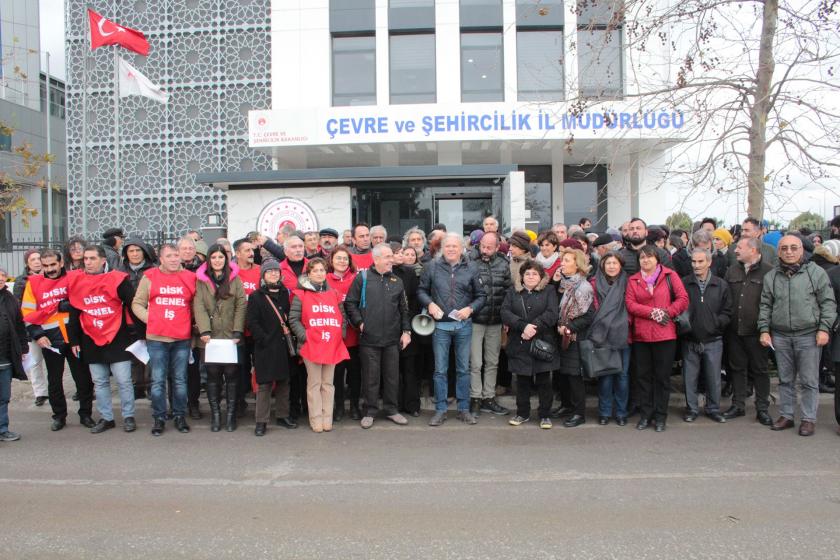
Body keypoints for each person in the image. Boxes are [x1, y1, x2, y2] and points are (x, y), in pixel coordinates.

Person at [758, 235, 836, 436]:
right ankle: (787, 415)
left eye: (794, 248)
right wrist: (764, 330)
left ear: (802, 250)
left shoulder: (816, 273)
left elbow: (828, 303)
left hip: (809, 335)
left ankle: (809, 419)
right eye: (784, 248)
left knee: (809, 381)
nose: (789, 252)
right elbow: (766, 305)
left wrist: (824, 329)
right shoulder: (772, 276)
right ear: (779, 251)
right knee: (785, 379)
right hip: (780, 336)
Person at [21, 249, 95, 432]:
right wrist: (38, 335)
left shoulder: (73, 278)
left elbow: (88, 300)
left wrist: (69, 305)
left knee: (83, 379)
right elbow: (27, 313)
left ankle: (86, 414)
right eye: (45, 266)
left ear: (61, 263)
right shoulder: (34, 284)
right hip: (50, 339)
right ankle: (59, 416)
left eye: (53, 264)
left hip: (74, 337)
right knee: (54, 381)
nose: (49, 269)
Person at [67, 245, 137, 434]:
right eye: (86, 259)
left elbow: (133, 306)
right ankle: (107, 418)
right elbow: (74, 312)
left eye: (92, 258)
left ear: (103, 260)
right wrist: (73, 340)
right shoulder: (77, 281)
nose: (88, 262)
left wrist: (140, 335)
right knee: (100, 382)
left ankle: (129, 416)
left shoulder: (118, 279)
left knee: (124, 380)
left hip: (118, 336)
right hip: (90, 337)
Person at [418, 233, 486, 426]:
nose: (451, 249)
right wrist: (430, 304)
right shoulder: (431, 266)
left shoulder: (471, 267)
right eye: (447, 246)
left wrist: (470, 309)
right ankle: (440, 409)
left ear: (462, 248)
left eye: (455, 246)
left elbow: (481, 295)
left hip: (463, 326)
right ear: (442, 248)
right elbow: (421, 291)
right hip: (440, 327)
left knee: (463, 369)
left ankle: (464, 409)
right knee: (440, 370)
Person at [131, 243, 197, 436]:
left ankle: (179, 415)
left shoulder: (189, 277)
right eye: (169, 256)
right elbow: (137, 303)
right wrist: (150, 320)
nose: (174, 259)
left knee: (179, 380)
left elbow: (195, 304)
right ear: (161, 258)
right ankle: (159, 418)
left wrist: (191, 321)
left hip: (181, 338)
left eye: (176, 255)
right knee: (158, 381)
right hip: (157, 338)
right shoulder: (150, 276)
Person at [345, 244, 411, 429]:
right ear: (376, 259)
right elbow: (350, 303)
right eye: (388, 256)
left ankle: (392, 410)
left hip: (392, 339)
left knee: (392, 377)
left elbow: (404, 309)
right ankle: (370, 411)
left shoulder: (397, 281)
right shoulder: (362, 278)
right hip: (369, 339)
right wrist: (360, 323)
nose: (392, 260)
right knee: (371, 377)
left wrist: (406, 332)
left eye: (392, 256)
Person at [626, 245, 688, 432]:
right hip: (642, 336)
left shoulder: (670, 276)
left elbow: (683, 298)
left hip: (665, 334)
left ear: (657, 259)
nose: (645, 260)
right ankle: (646, 415)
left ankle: (661, 416)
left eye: (649, 257)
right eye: (642, 257)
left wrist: (667, 312)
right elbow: (630, 304)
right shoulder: (633, 280)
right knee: (643, 377)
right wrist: (652, 312)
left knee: (662, 378)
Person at [289, 258, 349, 432]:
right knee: (314, 384)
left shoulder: (334, 293)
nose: (319, 273)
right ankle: (316, 419)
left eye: (322, 270)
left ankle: (327, 418)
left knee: (328, 384)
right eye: (315, 270)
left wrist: (340, 335)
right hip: (311, 346)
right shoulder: (301, 294)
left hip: (330, 344)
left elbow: (342, 317)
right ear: (308, 274)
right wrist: (304, 336)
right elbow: (293, 319)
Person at [194, 244, 247, 432]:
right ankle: (216, 415)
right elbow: (198, 305)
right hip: (210, 338)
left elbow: (241, 304)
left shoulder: (235, 279)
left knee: (232, 376)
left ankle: (231, 415)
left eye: (221, 257)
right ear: (209, 259)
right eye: (214, 257)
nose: (217, 260)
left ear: (226, 259)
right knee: (213, 376)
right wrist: (204, 331)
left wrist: (238, 330)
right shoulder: (201, 280)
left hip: (231, 336)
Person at [501, 261, 559, 428]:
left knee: (544, 381)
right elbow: (505, 312)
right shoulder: (513, 292)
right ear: (522, 276)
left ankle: (545, 415)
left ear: (541, 276)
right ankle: (522, 413)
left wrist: (534, 327)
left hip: (542, 341)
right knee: (522, 381)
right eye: (527, 274)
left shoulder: (549, 291)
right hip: (519, 342)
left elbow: (552, 313)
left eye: (534, 273)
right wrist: (522, 326)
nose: (531, 276)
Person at [723, 236, 774, 425]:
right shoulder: (732, 270)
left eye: (740, 248)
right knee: (737, 368)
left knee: (760, 370)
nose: (735, 251)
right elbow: (726, 299)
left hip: (758, 332)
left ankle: (762, 409)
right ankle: (738, 405)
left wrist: (767, 329)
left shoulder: (769, 272)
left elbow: (773, 303)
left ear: (753, 250)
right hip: (734, 331)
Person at [680, 248, 732, 424]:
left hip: (713, 339)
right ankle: (692, 409)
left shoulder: (721, 284)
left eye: (700, 261)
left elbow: (728, 311)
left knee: (713, 377)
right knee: (689, 377)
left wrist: (716, 323)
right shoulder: (684, 283)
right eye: (693, 262)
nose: (696, 265)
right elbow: (678, 308)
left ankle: (713, 409)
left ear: (709, 262)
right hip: (690, 339)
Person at [246, 259, 295, 436]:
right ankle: (261, 421)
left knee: (284, 383)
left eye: (276, 271)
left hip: (283, 346)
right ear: (263, 276)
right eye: (269, 271)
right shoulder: (255, 296)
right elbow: (252, 322)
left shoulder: (284, 293)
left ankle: (283, 415)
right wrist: (263, 339)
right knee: (264, 384)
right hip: (265, 347)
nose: (274, 273)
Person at [468, 232, 511, 416]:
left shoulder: (504, 263)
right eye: (482, 246)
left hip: (496, 320)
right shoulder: (470, 262)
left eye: (489, 247)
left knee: (492, 362)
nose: (485, 250)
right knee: (475, 362)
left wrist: (507, 318)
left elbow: (508, 291)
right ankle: (475, 398)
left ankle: (489, 397)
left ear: (497, 247)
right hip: (475, 320)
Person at [554, 247, 595, 427]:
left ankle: (579, 413)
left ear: (577, 265)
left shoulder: (583, 287)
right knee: (563, 374)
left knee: (574, 376)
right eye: (562, 260)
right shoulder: (565, 283)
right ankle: (566, 405)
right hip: (562, 335)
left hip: (574, 336)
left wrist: (568, 327)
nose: (562, 263)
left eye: (567, 261)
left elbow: (587, 316)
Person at [590, 252, 631, 426]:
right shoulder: (593, 283)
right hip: (601, 335)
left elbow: (631, 306)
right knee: (605, 377)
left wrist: (621, 323)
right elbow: (593, 308)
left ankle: (621, 412)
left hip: (623, 335)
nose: (612, 266)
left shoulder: (629, 283)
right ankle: (604, 412)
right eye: (608, 263)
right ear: (602, 265)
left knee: (622, 376)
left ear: (621, 265)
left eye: (615, 263)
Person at [326, 246, 360, 421]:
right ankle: (338, 407)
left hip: (354, 336)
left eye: (345, 259)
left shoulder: (357, 279)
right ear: (331, 261)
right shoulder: (324, 280)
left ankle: (355, 406)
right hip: (334, 338)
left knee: (354, 375)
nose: (342, 261)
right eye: (338, 258)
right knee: (336, 376)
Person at [120, 238, 156, 400]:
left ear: (144, 252)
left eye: (138, 250)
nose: (134, 254)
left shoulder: (154, 270)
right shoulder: (120, 271)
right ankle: (138, 385)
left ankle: (150, 385)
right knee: (134, 354)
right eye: (131, 251)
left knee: (151, 354)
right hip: (128, 319)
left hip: (150, 316)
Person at [279, 233, 308, 419]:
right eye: (294, 247)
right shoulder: (278, 269)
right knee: (292, 371)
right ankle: (293, 407)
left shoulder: (313, 266)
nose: (298, 250)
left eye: (300, 246)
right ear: (285, 250)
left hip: (309, 323)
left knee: (308, 369)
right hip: (287, 326)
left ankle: (308, 406)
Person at [15, 249, 48, 406]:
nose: (36, 261)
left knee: (55, 361)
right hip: (30, 326)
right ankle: (40, 392)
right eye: (32, 259)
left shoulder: (50, 276)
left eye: (38, 258)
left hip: (50, 325)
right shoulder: (21, 281)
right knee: (35, 361)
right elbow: (19, 306)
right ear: (27, 263)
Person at [0, 267, 29, 443]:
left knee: (3, 396)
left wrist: (24, 348)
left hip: (5, 357)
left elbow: (19, 325)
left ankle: (2, 429)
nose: (1, 278)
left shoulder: (10, 299)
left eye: (3, 275)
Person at [234, 238, 262, 416]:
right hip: (237, 330)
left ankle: (261, 402)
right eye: (246, 250)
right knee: (238, 368)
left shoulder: (260, 271)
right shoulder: (231, 273)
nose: (251, 253)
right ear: (237, 254)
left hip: (257, 329)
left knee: (260, 366)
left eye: (252, 250)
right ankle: (238, 402)